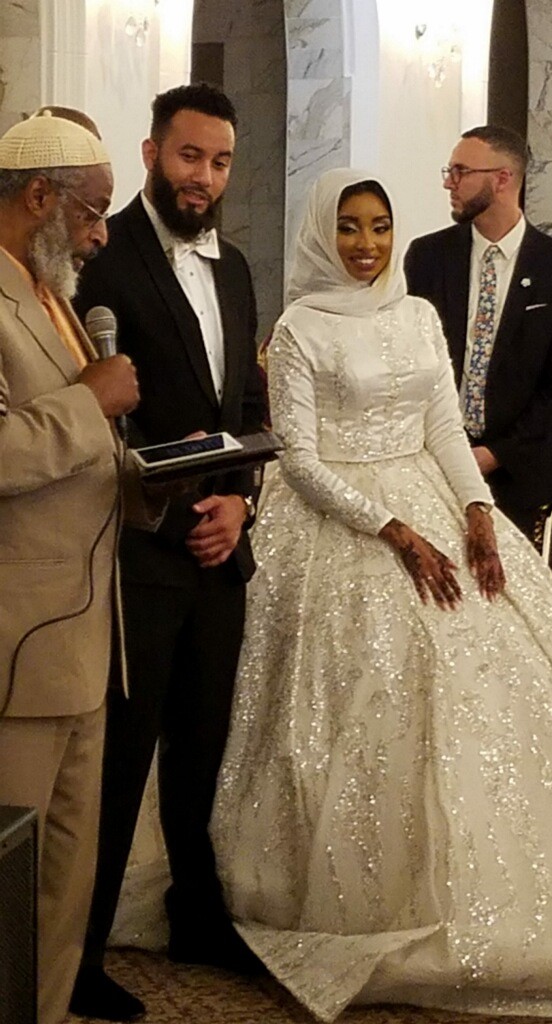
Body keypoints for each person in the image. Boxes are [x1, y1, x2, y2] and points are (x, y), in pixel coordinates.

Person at [210, 168, 552, 1022]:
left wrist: (475, 511)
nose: (367, 244)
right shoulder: (300, 327)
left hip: (434, 495)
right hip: (339, 521)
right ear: (321, 232)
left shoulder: (416, 314)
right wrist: (394, 531)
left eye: (379, 226)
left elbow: (443, 424)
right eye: (349, 226)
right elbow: (299, 457)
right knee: (380, 678)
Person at [70, 83, 265, 1022]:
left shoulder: (237, 267)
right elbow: (106, 410)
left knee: (202, 750)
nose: (205, 178)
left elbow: (246, 411)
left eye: (220, 162)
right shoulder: (101, 255)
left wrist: (240, 502)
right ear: (152, 154)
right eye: (191, 157)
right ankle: (76, 954)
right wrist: (186, 505)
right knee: (117, 763)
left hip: (221, 553)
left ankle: (197, 918)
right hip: (140, 552)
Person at [0, 112, 160, 1024]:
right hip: (19, 645)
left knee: (64, 886)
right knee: (10, 884)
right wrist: (88, 402)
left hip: (89, 637)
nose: (101, 234)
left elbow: (88, 449)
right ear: (38, 197)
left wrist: (154, 484)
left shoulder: (55, 295)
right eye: (92, 212)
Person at [404, 125, 552, 541]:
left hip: (524, 480)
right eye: (449, 171)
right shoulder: (427, 256)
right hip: (435, 470)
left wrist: (494, 454)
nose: (449, 183)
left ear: (502, 179)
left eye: (461, 171)